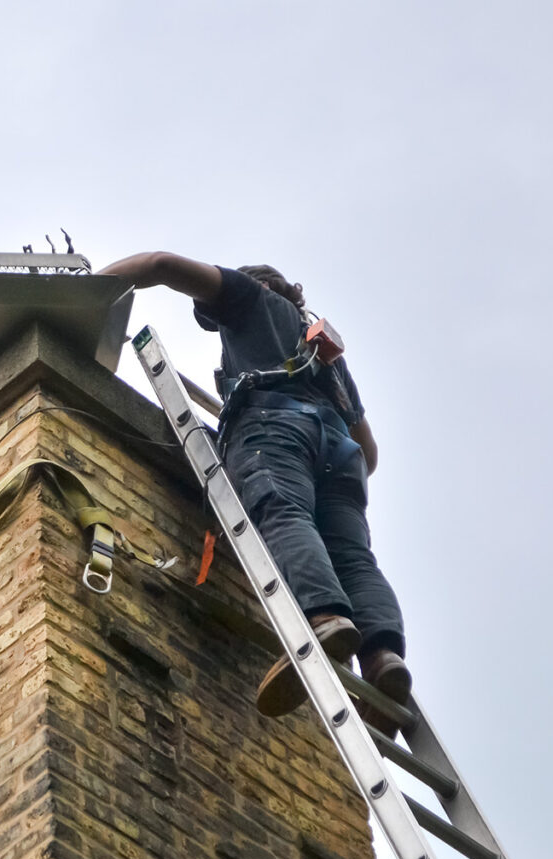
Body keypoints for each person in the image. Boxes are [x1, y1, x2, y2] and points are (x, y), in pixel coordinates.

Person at [99, 252, 410, 730]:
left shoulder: (249, 299)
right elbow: (368, 449)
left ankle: (323, 620)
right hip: (343, 458)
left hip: (273, 428)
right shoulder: (322, 349)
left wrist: (78, 294)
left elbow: (161, 264)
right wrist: (334, 474)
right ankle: (383, 657)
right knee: (354, 556)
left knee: (283, 512)